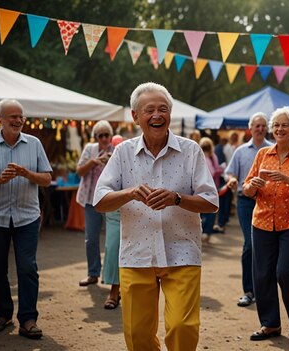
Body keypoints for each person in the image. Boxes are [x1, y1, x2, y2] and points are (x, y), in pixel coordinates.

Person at [93, 82, 218, 351]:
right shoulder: (123, 152)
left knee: (182, 328)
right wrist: (129, 193)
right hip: (137, 254)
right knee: (137, 335)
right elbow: (99, 201)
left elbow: (211, 202)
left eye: (163, 109)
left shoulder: (191, 150)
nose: (157, 115)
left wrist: (177, 198)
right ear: (135, 116)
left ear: (170, 115)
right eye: (149, 110)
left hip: (182, 252)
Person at [0, 99, 52, 339]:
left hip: (26, 217)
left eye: (21, 116)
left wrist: (27, 173)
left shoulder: (35, 144)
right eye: (13, 117)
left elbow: (47, 179)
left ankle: (28, 319)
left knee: (28, 268)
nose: (18, 120)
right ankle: (3, 314)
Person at [243, 107, 289, 341]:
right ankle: (270, 324)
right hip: (263, 221)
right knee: (263, 274)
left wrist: (288, 179)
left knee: (285, 272)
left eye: (284, 125)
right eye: (275, 125)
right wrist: (254, 184)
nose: (279, 129)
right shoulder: (263, 154)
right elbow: (246, 190)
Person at [224, 112, 272, 308]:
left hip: (269, 202)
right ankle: (249, 290)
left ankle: (264, 289)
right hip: (246, 202)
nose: (260, 129)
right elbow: (229, 172)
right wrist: (232, 180)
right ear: (250, 129)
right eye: (257, 126)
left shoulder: (273, 149)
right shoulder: (241, 151)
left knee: (267, 246)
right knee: (250, 244)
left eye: (263, 125)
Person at [75, 120, 115, 287]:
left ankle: (111, 277)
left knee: (112, 241)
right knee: (91, 239)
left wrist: (110, 162)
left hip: (111, 200)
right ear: (96, 137)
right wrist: (94, 161)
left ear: (111, 136)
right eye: (101, 136)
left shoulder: (117, 150)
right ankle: (93, 273)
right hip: (91, 200)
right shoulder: (90, 149)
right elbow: (79, 171)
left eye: (107, 135)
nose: (104, 139)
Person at [101, 134, 124, 310]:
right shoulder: (108, 163)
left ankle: (122, 289)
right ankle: (114, 291)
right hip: (114, 212)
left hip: (134, 211)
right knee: (112, 248)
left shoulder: (133, 159)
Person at [199, 137, 224, 244]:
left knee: (204, 212)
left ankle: (204, 232)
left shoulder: (202, 157)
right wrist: (220, 169)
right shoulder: (211, 157)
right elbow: (214, 171)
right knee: (211, 212)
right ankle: (206, 233)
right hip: (212, 187)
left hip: (204, 188)